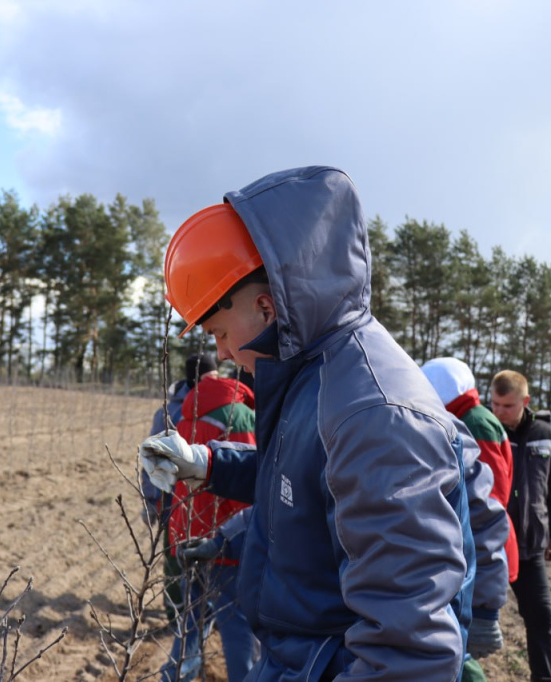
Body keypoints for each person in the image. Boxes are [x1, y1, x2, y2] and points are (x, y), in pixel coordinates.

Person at [139, 166, 477, 680]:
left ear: (267, 307)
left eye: (220, 332)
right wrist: (206, 464)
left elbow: (407, 654)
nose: (222, 352)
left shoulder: (375, 416)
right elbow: (299, 486)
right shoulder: (314, 379)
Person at [160, 363, 259, 682]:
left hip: (187, 530)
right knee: (238, 628)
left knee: (190, 626)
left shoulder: (184, 412)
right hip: (224, 538)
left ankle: (173, 678)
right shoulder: (239, 415)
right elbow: (250, 482)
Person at [423, 357, 517, 682]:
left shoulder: (474, 423)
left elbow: (489, 496)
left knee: (458, 654)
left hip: (480, 543)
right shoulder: (468, 417)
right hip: (477, 542)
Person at [490, 370, 551, 682]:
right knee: (467, 617)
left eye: (506, 405)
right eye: (494, 403)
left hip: (529, 547)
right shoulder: (486, 432)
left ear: (525, 401)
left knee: (541, 618)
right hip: (490, 545)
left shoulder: (545, 435)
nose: (498, 411)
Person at [143, 354, 220, 624]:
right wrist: (150, 499)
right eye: (209, 376)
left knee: (209, 555)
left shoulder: (221, 403)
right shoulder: (171, 411)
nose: (214, 381)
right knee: (174, 558)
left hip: (209, 494)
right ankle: (175, 615)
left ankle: (205, 613)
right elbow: (152, 457)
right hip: (172, 496)